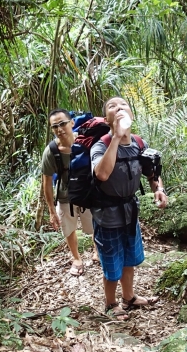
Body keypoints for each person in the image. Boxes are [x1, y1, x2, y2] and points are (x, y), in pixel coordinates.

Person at [91, 97, 168, 320]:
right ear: (107, 119)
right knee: (111, 261)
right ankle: (110, 303)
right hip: (107, 214)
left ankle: (129, 297)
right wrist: (116, 137)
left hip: (130, 211)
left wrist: (158, 189)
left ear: (131, 115)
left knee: (129, 258)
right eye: (112, 107)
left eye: (123, 105)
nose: (118, 108)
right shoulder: (101, 145)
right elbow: (102, 174)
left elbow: (151, 172)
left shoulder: (138, 143)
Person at [41, 108, 97, 276]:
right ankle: (76, 258)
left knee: (95, 224)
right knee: (68, 228)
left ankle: (98, 251)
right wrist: (51, 210)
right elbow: (47, 182)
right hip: (65, 195)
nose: (59, 129)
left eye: (62, 124)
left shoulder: (86, 142)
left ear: (72, 123)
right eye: (54, 126)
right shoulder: (51, 151)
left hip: (87, 192)